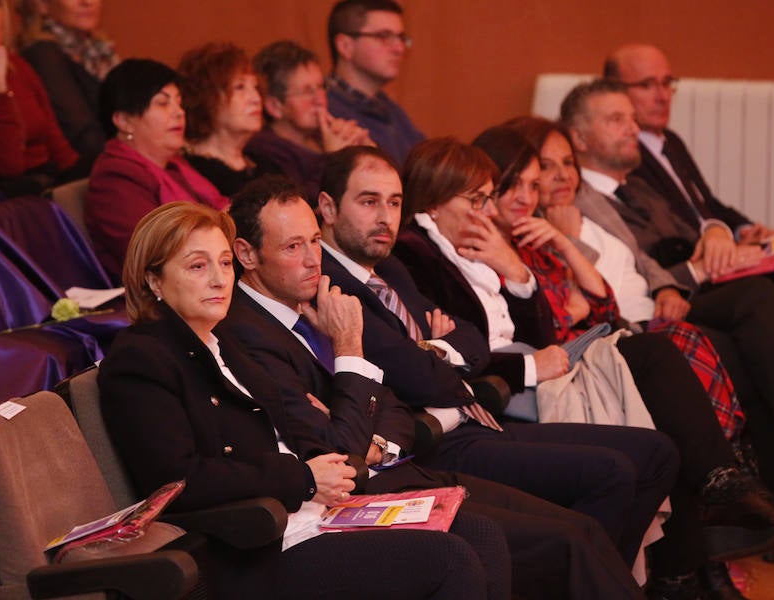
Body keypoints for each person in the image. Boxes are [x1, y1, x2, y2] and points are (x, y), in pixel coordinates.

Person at [318, 144, 774, 599]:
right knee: (615, 463)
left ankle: (636, 568)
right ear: (328, 208)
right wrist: (449, 352)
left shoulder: (392, 269)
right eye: (368, 202)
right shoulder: (383, 264)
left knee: (658, 449)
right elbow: (425, 372)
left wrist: (497, 291)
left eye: (392, 202)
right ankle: (639, 573)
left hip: (479, 407)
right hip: (455, 425)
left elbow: (476, 336)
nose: (385, 216)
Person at [218, 175, 660, 599]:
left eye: (315, 241)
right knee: (563, 542)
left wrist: (376, 439)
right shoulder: (247, 334)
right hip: (357, 502)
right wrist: (349, 347)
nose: (314, 259)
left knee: (582, 529)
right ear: (248, 254)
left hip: (404, 465)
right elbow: (340, 454)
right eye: (293, 247)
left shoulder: (319, 297)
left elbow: (389, 402)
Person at [99, 201, 501, 600]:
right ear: (153, 280)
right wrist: (304, 478)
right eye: (197, 266)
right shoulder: (141, 358)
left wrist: (325, 456)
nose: (220, 280)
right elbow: (177, 481)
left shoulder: (224, 343)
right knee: (449, 560)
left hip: (316, 514)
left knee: (483, 535)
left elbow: (312, 434)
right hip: (256, 546)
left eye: (224, 263)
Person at [558, 79, 774, 579]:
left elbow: (691, 227)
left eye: (632, 118)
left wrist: (718, 231)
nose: (635, 128)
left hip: (677, 297)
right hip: (657, 312)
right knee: (754, 327)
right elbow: (625, 277)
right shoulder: (575, 204)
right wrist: (684, 277)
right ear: (578, 139)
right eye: (617, 120)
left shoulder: (639, 187)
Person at [603, 44, 774, 399]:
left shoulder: (668, 141)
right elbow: (668, 234)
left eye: (667, 83)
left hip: (721, 249)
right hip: (699, 265)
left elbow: (708, 204)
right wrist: (720, 238)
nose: (661, 96)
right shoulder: (626, 155)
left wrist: (743, 228)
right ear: (615, 91)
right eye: (646, 85)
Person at [476, 123, 744, 443]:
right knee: (673, 344)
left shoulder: (541, 237)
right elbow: (547, 326)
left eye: (533, 184)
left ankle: (732, 460)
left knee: (718, 330)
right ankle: (724, 465)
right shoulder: (500, 245)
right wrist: (572, 299)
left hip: (612, 332)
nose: (525, 196)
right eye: (546, 169)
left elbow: (604, 304)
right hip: (570, 358)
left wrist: (565, 245)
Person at [85, 58, 229, 281]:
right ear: (123, 120)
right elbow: (154, 253)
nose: (178, 112)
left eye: (178, 102)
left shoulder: (174, 165)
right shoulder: (115, 177)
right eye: (163, 103)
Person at [0, 0, 81, 196]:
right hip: (8, 198)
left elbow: (58, 146)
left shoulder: (18, 66)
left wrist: (84, 180)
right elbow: (6, 166)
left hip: (50, 180)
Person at [247, 40, 371, 203]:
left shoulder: (324, 136)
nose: (319, 99)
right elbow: (302, 205)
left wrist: (366, 150)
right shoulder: (265, 152)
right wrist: (334, 158)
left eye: (321, 87)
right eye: (306, 92)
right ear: (274, 106)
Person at [326, 0, 424, 164]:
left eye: (401, 37)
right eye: (383, 36)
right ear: (345, 46)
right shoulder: (326, 114)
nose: (399, 48)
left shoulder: (392, 111)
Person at [18, 0, 117, 162]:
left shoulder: (99, 50)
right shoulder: (43, 54)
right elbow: (83, 137)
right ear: (41, 4)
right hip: (86, 172)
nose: (87, 2)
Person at [178, 41, 272, 198]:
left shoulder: (264, 164)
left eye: (255, 87)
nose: (256, 98)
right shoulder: (191, 173)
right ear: (207, 96)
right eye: (240, 87)